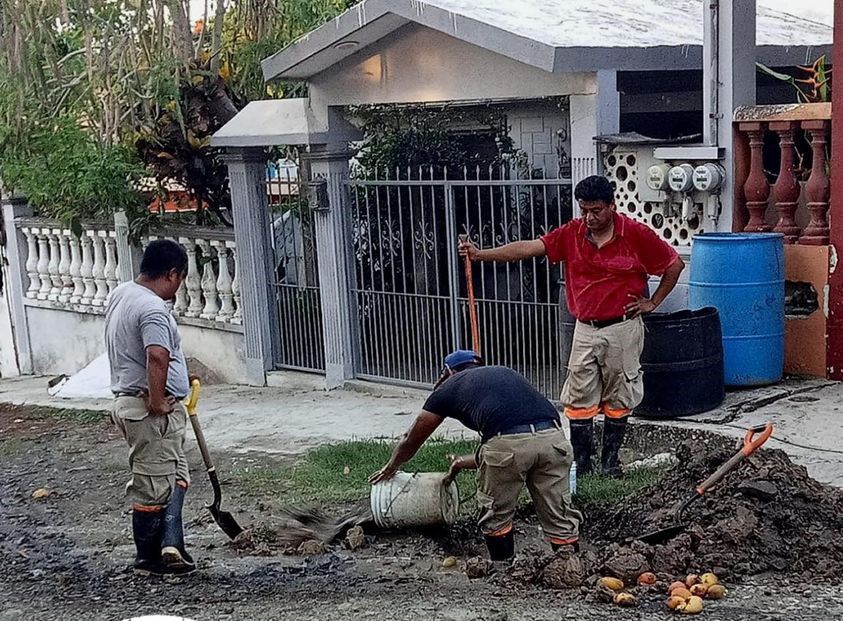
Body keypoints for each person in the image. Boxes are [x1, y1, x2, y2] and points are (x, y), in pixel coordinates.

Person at [459, 175, 684, 478]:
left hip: (622, 327)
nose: (589, 217)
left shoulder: (635, 234)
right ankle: (583, 463)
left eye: (596, 211)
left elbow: (673, 264)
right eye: (584, 210)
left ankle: (610, 462)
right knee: (578, 399)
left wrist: (652, 302)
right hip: (584, 328)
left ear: (611, 206)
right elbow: (529, 248)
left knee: (620, 396)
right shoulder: (571, 234)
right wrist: (481, 255)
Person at [370, 350, 582, 561]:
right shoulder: (505, 374)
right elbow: (524, 441)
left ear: (448, 371)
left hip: (507, 445)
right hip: (555, 441)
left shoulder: (450, 386)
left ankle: (503, 572)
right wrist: (461, 462)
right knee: (559, 513)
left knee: (496, 514)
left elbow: (411, 438)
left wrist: (392, 466)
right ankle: (570, 568)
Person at [105, 239, 195, 576]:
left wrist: (179, 377)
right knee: (153, 484)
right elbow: (156, 354)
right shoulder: (153, 308)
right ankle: (149, 559)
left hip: (137, 402)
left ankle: (172, 545)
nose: (178, 287)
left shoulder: (123, 294)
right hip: (148, 410)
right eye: (180, 279)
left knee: (177, 475)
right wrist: (158, 400)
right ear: (172, 273)